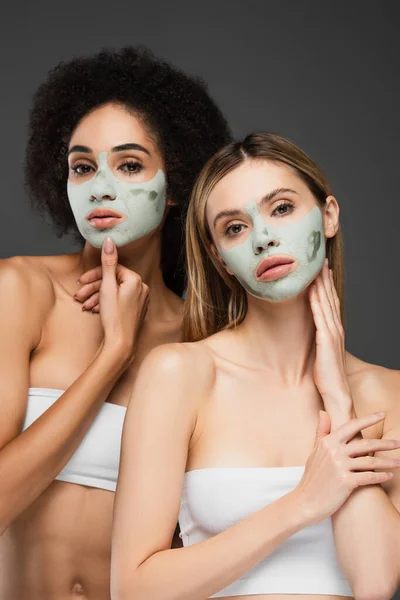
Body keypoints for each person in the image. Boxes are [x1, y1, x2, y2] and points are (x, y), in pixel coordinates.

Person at [111, 133, 400, 600]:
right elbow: (133, 588)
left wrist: (339, 401)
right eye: (234, 228)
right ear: (219, 258)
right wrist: (302, 504)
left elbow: (376, 581)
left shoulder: (390, 393)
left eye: (281, 208)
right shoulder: (180, 374)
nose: (263, 237)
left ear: (328, 216)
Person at [0, 46, 231, 599]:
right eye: (83, 166)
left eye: (129, 165)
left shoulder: (202, 336)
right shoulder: (21, 291)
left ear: (175, 185)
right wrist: (113, 357)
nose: (101, 186)